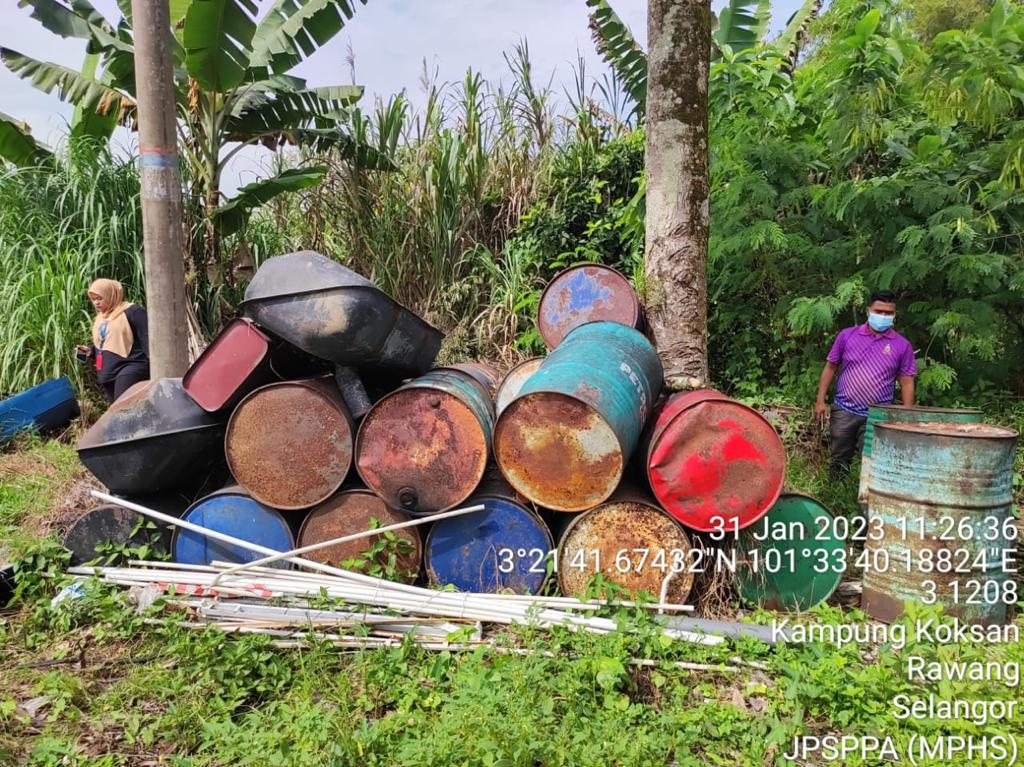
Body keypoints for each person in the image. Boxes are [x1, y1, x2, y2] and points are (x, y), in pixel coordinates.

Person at [814, 289, 917, 477]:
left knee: (873, 460)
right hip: (844, 409)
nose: (883, 316)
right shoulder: (847, 336)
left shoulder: (902, 345)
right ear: (868, 311)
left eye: (888, 313)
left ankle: (867, 499)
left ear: (894, 315)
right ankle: (836, 495)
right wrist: (821, 401)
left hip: (878, 414)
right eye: (879, 311)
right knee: (839, 456)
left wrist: (906, 414)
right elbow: (830, 367)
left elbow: (907, 381)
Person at [75, 279, 150, 402]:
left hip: (130, 366)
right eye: (93, 299)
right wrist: (91, 351)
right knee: (118, 413)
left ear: (111, 295)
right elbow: (106, 341)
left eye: (100, 298)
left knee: (122, 410)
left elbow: (147, 337)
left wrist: (156, 368)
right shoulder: (101, 317)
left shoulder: (132, 311)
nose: (96, 303)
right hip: (107, 371)